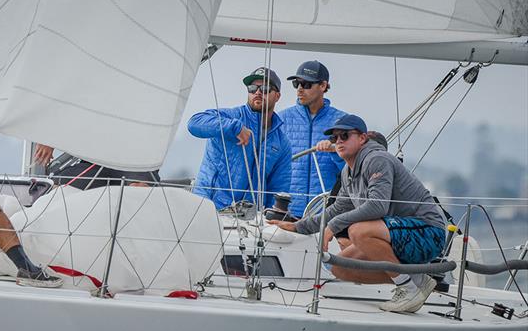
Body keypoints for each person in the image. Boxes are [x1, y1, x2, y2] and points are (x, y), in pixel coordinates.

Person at [270, 115, 447, 313]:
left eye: (344, 136)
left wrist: (333, 227)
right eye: (334, 138)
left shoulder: (377, 159)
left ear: (362, 138)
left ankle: (408, 288)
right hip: (397, 233)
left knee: (358, 231)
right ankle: (415, 280)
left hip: (429, 232)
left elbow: (377, 206)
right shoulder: (348, 171)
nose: (338, 142)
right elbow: (337, 208)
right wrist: (298, 226)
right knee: (340, 267)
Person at [187, 67, 291, 210]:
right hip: (209, 208)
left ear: (277, 96)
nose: (258, 92)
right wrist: (234, 127)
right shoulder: (231, 117)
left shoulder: (281, 142)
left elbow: (278, 188)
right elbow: (194, 123)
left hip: (251, 218)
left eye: (265, 88)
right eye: (252, 88)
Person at [279, 60, 346, 218]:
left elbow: (354, 171)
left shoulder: (343, 122)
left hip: (326, 214)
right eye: (297, 84)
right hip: (286, 212)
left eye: (306, 84)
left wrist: (335, 151)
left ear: (323, 86)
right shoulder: (281, 120)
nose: (300, 90)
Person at [33, 145, 159, 189]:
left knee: (139, 189)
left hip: (136, 163)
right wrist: (49, 139)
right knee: (51, 189)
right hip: (93, 161)